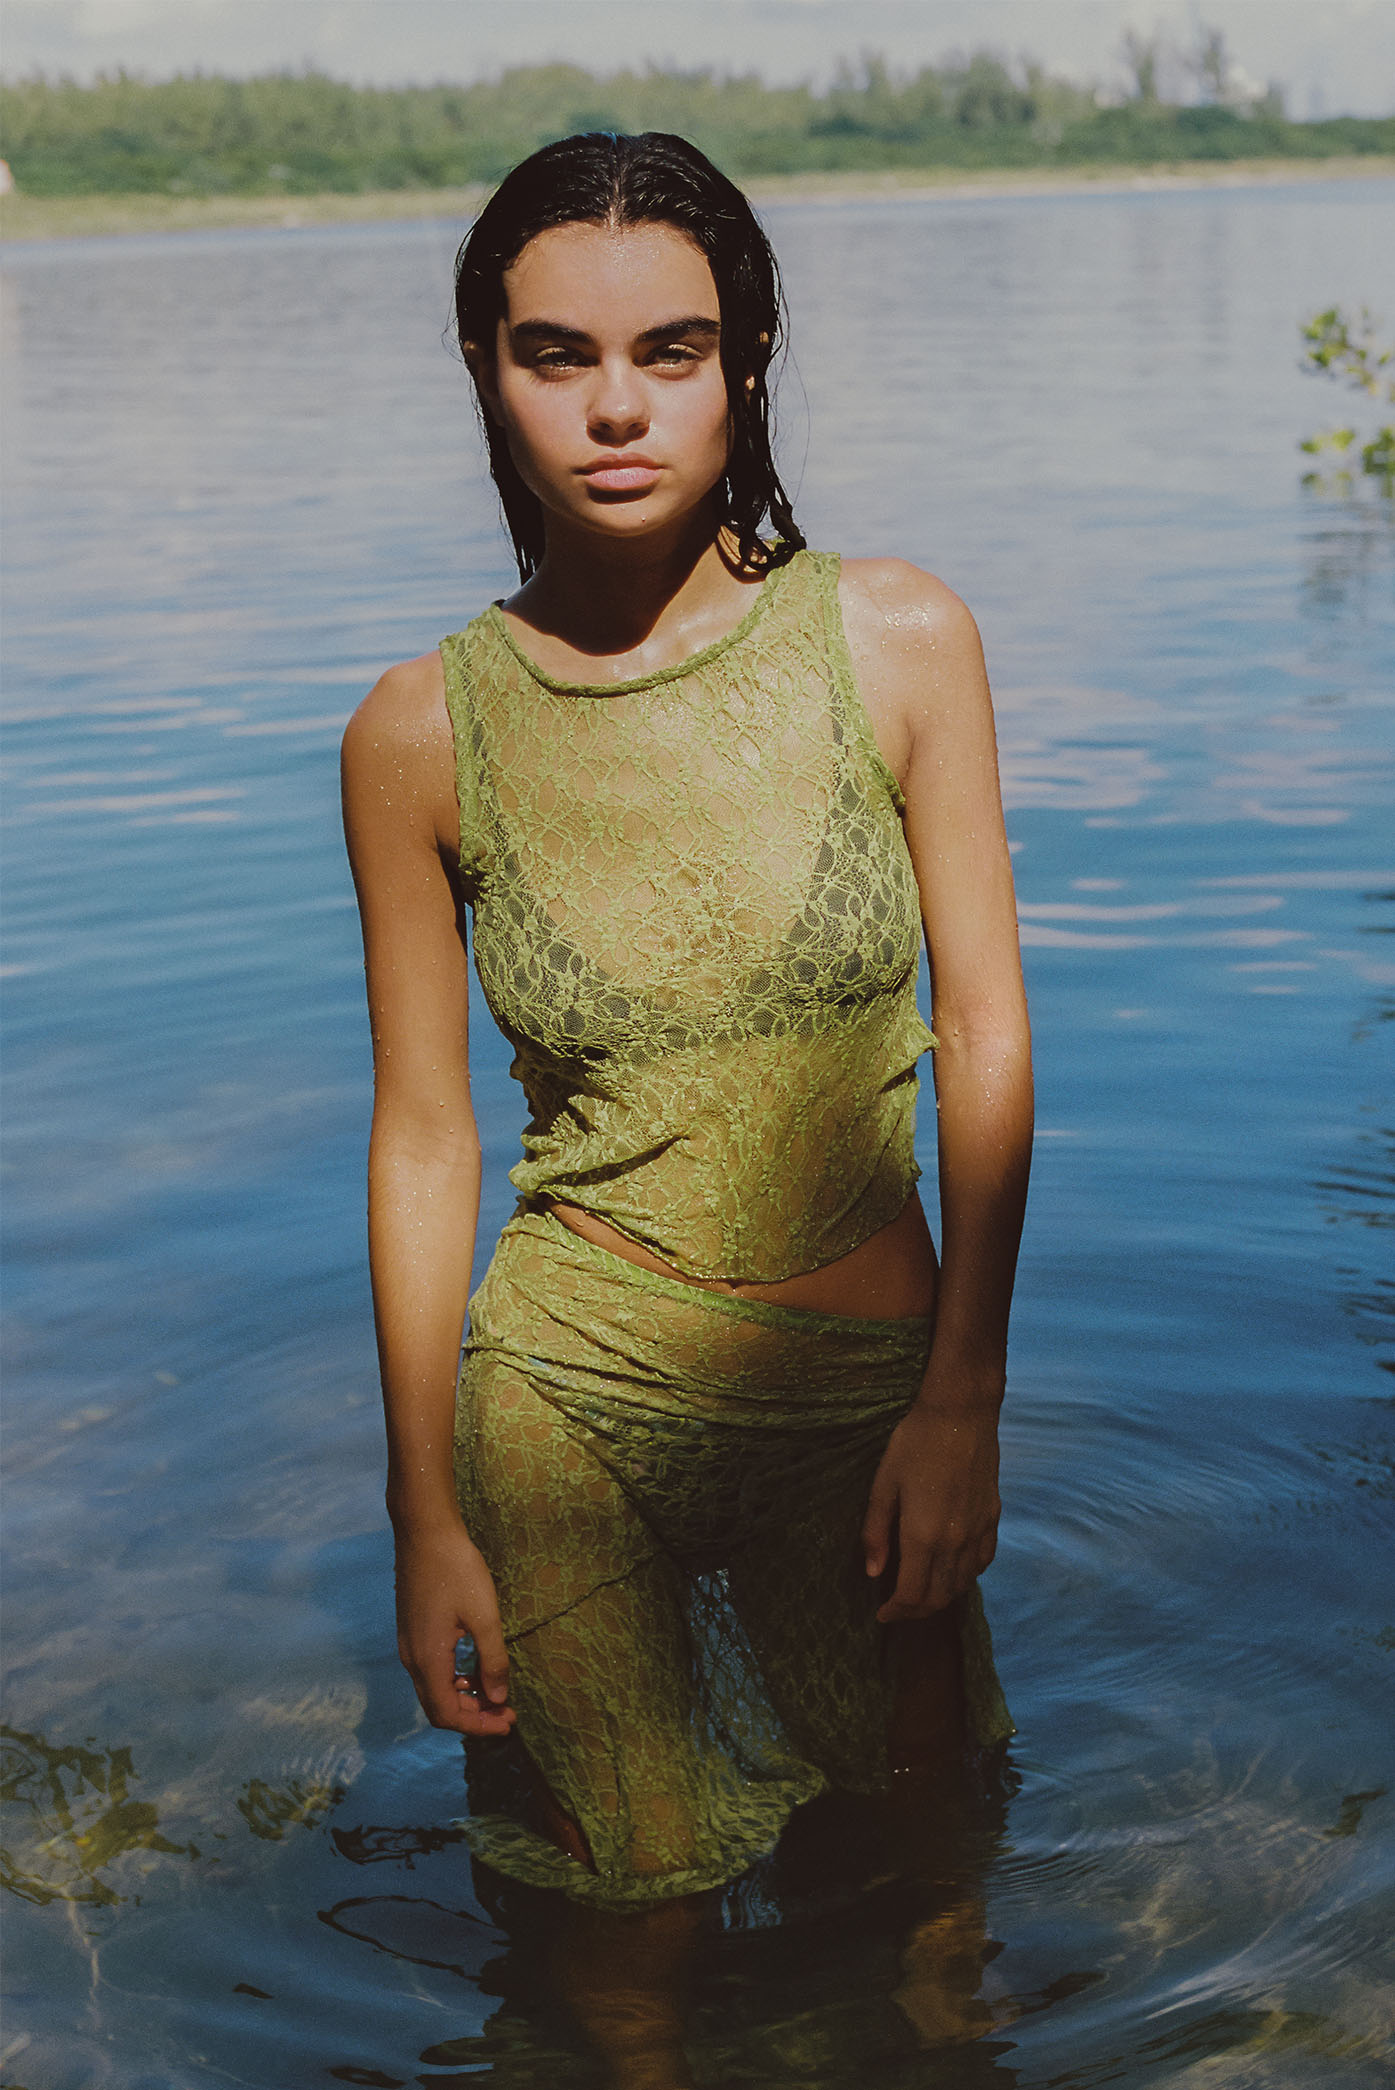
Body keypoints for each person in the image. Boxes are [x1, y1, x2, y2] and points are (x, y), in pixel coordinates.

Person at [341, 129, 1032, 2085]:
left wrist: (959, 1393)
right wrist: (422, 1509)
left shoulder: (892, 641)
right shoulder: (419, 730)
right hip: (562, 1411)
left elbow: (982, 1036)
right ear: (484, 367)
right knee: (615, 1951)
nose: (617, 401)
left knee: (930, 1898)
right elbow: (421, 1136)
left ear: (746, 362)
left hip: (865, 1396)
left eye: (673, 348)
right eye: (555, 353)